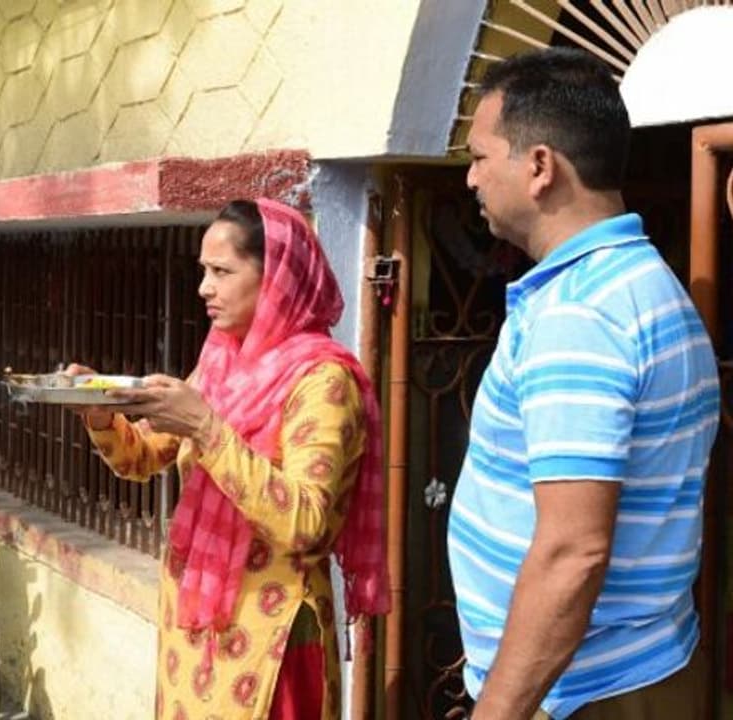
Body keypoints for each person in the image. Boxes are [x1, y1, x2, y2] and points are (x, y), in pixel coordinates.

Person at [450, 47, 720, 719]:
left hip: (577, 691)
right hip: (628, 667)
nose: (470, 180)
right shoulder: (639, 282)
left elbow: (573, 552)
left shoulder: (581, 313)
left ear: (539, 167)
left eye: (481, 158)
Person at [65, 198, 389, 720]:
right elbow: (144, 457)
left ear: (276, 279)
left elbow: (307, 522)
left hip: (272, 636)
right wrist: (99, 411)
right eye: (203, 271)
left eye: (221, 271)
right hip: (196, 628)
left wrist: (205, 426)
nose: (204, 289)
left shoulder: (323, 381)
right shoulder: (222, 359)